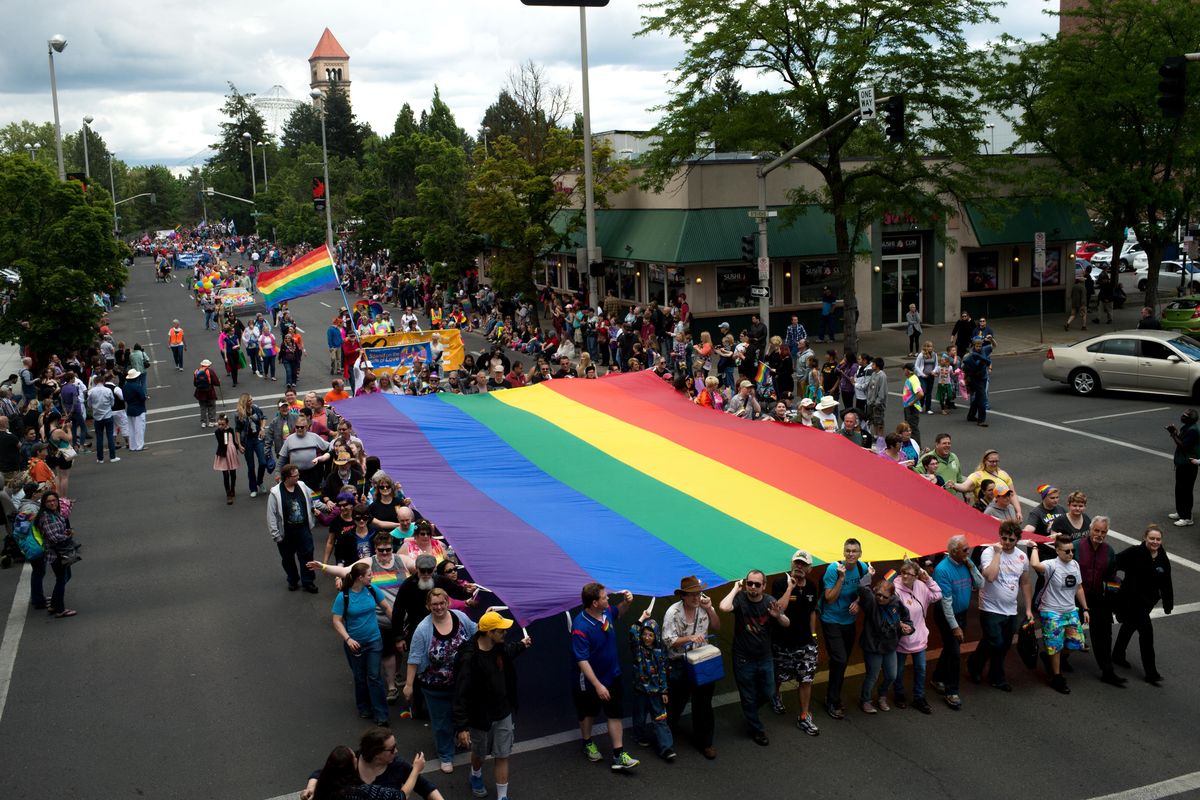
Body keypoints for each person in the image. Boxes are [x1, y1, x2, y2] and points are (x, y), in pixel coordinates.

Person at [453, 611, 530, 800]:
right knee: (480, 754)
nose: (505, 633)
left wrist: (522, 645)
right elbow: (461, 694)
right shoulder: (469, 658)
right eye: (501, 630)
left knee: (503, 754)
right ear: (489, 633)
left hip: (503, 712)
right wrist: (462, 727)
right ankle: (476, 774)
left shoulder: (499, 647)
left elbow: (509, 652)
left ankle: (502, 797)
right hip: (480, 717)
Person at [405, 588, 477, 773]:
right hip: (434, 686)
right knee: (441, 722)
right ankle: (446, 755)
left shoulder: (460, 617)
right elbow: (414, 658)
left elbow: (477, 631)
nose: (439, 607)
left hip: (461, 683)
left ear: (448, 602)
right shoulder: (423, 629)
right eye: (434, 604)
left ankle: (458, 736)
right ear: (428, 606)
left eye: (442, 603)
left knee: (460, 715)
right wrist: (408, 685)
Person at [571, 583, 639, 770]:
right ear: (594, 603)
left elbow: (619, 612)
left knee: (614, 713)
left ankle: (618, 755)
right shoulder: (580, 626)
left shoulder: (606, 612)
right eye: (604, 597)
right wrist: (598, 685)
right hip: (590, 681)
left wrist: (627, 602)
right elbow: (582, 661)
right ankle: (587, 742)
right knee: (588, 712)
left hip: (612, 675)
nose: (608, 599)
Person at [719, 569, 788, 745]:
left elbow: (787, 623)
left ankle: (750, 712)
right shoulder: (740, 598)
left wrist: (778, 615)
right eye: (750, 583)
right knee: (748, 696)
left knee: (769, 692)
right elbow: (724, 607)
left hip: (764, 657)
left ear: (764, 586)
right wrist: (736, 588)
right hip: (743, 658)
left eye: (757, 584)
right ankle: (757, 729)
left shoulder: (769, 601)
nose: (753, 587)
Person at [968, 519, 1033, 692]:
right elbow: (989, 576)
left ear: (1017, 540)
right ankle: (985, 670)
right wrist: (998, 554)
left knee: (1003, 644)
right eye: (1004, 538)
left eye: (1011, 540)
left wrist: (1028, 608)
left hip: (1010, 608)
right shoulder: (989, 552)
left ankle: (987, 671)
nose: (1006, 542)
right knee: (995, 642)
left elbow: (1025, 583)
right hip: (990, 607)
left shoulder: (1021, 556)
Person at [661, 576, 720, 759]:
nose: (696, 598)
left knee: (703, 704)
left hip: (701, 660)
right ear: (683, 596)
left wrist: (710, 608)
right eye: (692, 595)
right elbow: (668, 641)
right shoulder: (673, 613)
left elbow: (717, 626)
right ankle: (666, 737)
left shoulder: (703, 608)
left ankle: (706, 742)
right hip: (680, 662)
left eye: (698, 594)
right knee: (675, 703)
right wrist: (689, 638)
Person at [299, 727, 445, 800]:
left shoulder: (398, 766)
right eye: (391, 749)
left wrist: (311, 788)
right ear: (376, 753)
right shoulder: (360, 787)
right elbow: (400, 797)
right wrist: (416, 770)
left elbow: (426, 788)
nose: (396, 751)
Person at [333, 562, 393, 727]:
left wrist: (398, 626)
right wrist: (348, 639)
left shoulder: (372, 590)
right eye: (369, 575)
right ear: (360, 578)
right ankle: (364, 707)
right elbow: (337, 621)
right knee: (360, 677)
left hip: (374, 640)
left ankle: (381, 714)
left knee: (374, 676)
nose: (371, 577)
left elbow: (387, 608)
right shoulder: (344, 596)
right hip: (355, 644)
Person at [1112, 524, 1173, 686]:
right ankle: (1151, 673)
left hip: (1148, 602)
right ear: (1144, 538)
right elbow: (1114, 562)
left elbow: (1166, 581)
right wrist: (1112, 582)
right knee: (1147, 635)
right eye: (1152, 538)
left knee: (1129, 627)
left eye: (1158, 539)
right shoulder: (1134, 552)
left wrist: (1168, 603)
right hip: (1131, 601)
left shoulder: (1162, 556)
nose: (1155, 542)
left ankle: (1117, 655)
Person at [1030, 534, 1089, 695]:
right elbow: (1034, 564)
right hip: (1051, 611)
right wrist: (1034, 547)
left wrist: (1085, 608)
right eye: (1067, 551)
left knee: (1076, 643)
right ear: (1057, 551)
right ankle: (1056, 676)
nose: (1071, 554)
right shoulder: (1051, 565)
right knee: (1055, 645)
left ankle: (1053, 658)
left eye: (1072, 551)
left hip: (1070, 611)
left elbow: (1078, 588)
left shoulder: (1075, 565)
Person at [771, 550, 820, 735]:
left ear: (809, 568)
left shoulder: (812, 587)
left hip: (805, 644)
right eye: (796, 563)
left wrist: (814, 637)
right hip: (782, 643)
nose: (799, 566)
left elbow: (812, 612)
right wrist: (790, 588)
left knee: (806, 679)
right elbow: (778, 610)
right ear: (791, 564)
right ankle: (775, 695)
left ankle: (804, 715)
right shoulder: (780, 583)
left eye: (803, 564)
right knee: (779, 676)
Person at [931, 535, 983, 710]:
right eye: (965, 550)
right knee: (954, 652)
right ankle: (951, 691)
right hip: (947, 615)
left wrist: (972, 566)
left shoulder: (966, 563)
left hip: (962, 612)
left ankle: (937, 677)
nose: (968, 552)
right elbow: (946, 603)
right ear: (953, 552)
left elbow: (980, 583)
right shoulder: (942, 570)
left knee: (950, 647)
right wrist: (955, 627)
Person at [1075, 516, 1126, 687]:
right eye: (1096, 530)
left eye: (1103, 531)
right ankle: (1059, 662)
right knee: (1069, 630)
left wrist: (1113, 597)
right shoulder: (1076, 546)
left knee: (1104, 634)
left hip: (1099, 599)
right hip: (1075, 597)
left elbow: (1111, 575)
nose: (1099, 534)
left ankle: (1107, 671)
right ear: (1090, 530)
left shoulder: (1109, 551)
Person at [820, 538, 868, 720]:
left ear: (860, 554)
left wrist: (858, 602)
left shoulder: (862, 568)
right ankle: (832, 700)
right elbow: (829, 598)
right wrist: (841, 578)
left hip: (849, 621)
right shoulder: (833, 570)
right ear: (843, 552)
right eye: (848, 551)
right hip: (831, 620)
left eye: (854, 551)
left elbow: (865, 590)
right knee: (840, 659)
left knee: (841, 661)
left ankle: (833, 693)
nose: (851, 554)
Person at [857, 569, 912, 714]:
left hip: (889, 645)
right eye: (878, 595)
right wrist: (870, 574)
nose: (880, 598)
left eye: (884, 597)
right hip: (872, 646)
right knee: (873, 675)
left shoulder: (896, 603)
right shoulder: (871, 602)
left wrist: (909, 628)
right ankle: (866, 700)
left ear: (891, 596)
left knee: (892, 675)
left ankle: (882, 695)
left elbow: (907, 619)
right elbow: (862, 587)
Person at [892, 559, 941, 713]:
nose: (905, 576)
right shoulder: (894, 589)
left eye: (909, 574)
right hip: (901, 638)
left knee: (920, 668)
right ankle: (899, 694)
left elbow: (937, 595)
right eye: (903, 573)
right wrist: (899, 624)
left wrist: (928, 579)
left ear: (916, 576)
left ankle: (919, 697)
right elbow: (889, 610)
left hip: (919, 636)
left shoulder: (921, 586)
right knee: (898, 670)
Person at [628, 610, 675, 762]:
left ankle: (666, 748)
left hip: (656, 692)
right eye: (644, 634)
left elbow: (662, 672)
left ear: (656, 636)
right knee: (639, 716)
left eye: (651, 635)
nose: (646, 638)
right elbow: (632, 631)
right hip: (640, 690)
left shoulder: (660, 652)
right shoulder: (638, 649)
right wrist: (642, 618)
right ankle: (639, 735)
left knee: (660, 718)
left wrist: (664, 691)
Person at [267, 464, 319, 593]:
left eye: (298, 475)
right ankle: (293, 579)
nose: (298, 477)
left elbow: (314, 498)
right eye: (295, 476)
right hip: (286, 532)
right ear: (287, 478)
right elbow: (271, 515)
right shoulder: (275, 493)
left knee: (307, 555)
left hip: (303, 529)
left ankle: (308, 581)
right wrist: (276, 535)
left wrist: (324, 506)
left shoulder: (301, 485)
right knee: (288, 558)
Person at [38, 491, 77, 618]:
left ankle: (54, 604)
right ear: (44, 503)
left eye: (54, 500)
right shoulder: (46, 517)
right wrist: (66, 536)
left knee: (65, 576)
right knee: (61, 579)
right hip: (56, 554)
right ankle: (60, 609)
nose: (52, 503)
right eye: (49, 501)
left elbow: (58, 531)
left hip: (60, 552)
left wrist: (66, 531)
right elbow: (53, 537)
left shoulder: (54, 514)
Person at [1166, 408, 1199, 527]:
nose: (1182, 416)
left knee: (1186, 491)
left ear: (1190, 419)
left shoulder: (1193, 430)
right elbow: (1181, 440)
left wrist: (1173, 434)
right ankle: (1180, 512)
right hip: (1181, 463)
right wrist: (1175, 432)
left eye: (1184, 415)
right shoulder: (1187, 427)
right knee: (1179, 489)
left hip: (1188, 465)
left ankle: (1187, 517)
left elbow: (1183, 445)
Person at [235, 394, 267, 498]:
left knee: (263, 462)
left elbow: (263, 418)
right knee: (251, 466)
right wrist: (239, 444)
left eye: (252, 399)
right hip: (247, 440)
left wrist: (262, 428)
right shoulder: (238, 414)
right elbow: (238, 430)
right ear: (245, 402)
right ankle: (253, 488)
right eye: (249, 400)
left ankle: (260, 481)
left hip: (257, 437)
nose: (251, 401)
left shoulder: (256, 408)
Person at [87, 375, 119, 463]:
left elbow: (89, 405)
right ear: (103, 381)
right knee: (110, 436)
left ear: (95, 382)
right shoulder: (108, 390)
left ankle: (100, 458)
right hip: (108, 415)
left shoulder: (91, 392)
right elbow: (112, 403)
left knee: (99, 437)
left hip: (97, 417)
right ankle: (112, 457)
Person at [212, 414, 242, 505]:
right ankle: (228, 494)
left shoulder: (231, 430)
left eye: (222, 424)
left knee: (233, 473)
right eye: (219, 424)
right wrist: (225, 431)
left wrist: (239, 447)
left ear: (227, 424)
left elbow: (233, 441)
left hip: (231, 452)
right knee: (225, 474)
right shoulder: (217, 432)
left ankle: (233, 488)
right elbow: (223, 443)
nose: (220, 426)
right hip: (223, 454)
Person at [123, 370, 147, 452]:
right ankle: (139, 446)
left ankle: (132, 446)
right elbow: (142, 397)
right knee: (139, 428)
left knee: (131, 429)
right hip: (139, 409)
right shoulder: (137, 386)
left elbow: (124, 398)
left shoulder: (125, 386)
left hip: (130, 408)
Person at [194, 359, 220, 429]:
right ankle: (212, 421)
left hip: (200, 392)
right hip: (209, 392)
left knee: (203, 408)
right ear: (208, 365)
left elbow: (195, 383)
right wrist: (218, 382)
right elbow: (216, 382)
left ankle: (203, 422)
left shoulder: (197, 371)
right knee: (211, 406)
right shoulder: (210, 371)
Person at [901, 362, 923, 440]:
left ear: (908, 371)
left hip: (912, 408)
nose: (904, 371)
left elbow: (920, 394)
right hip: (908, 407)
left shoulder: (913, 380)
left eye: (905, 370)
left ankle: (917, 448)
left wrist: (911, 403)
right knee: (908, 428)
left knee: (912, 429)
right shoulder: (910, 379)